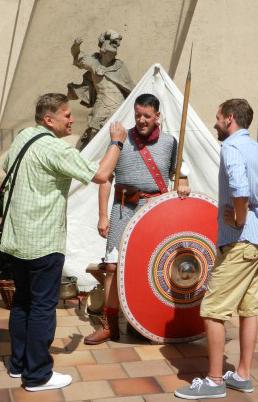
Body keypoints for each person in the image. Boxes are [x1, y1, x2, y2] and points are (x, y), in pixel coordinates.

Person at [1, 93, 126, 392]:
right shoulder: (56, 149)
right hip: (43, 241)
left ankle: (18, 365)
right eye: (66, 115)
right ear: (49, 119)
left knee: (22, 302)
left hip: (15, 238)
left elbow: (7, 167)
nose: (72, 119)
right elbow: (101, 174)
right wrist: (117, 142)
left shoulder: (24, 137)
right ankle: (38, 376)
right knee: (43, 307)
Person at [175, 99, 258, 399]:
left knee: (212, 309)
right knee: (247, 308)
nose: (214, 124)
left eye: (217, 118)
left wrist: (242, 216)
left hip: (240, 242)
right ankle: (242, 375)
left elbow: (239, 188)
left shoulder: (231, 148)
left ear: (229, 119)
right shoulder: (257, 149)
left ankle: (214, 381)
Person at [84, 93, 191, 345]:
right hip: (123, 209)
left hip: (154, 211)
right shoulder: (121, 142)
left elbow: (179, 172)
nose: (141, 120)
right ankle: (110, 325)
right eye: (137, 115)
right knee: (112, 267)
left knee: (148, 268)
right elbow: (106, 178)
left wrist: (183, 183)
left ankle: (139, 322)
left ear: (157, 117)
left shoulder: (169, 143)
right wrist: (102, 215)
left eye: (146, 116)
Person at [68, 30, 135, 150]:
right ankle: (92, 158)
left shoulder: (119, 66)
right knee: (94, 132)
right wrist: (76, 46)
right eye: (108, 53)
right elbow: (77, 57)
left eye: (113, 54)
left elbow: (129, 85)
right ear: (103, 51)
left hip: (118, 104)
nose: (110, 56)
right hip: (102, 102)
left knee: (116, 133)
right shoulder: (94, 63)